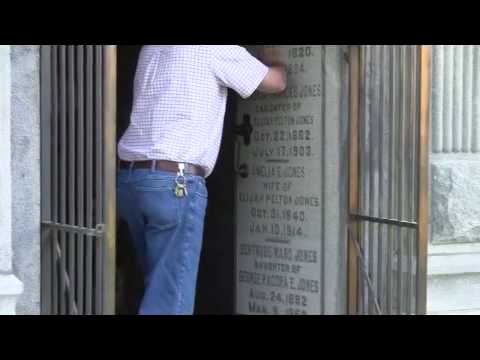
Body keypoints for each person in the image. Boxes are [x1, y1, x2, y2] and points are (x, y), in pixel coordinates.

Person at [117, 45, 287, 315]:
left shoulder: (150, 48)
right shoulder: (213, 49)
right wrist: (276, 56)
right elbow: (275, 82)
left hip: (131, 181)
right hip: (175, 184)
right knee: (170, 301)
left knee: (152, 285)